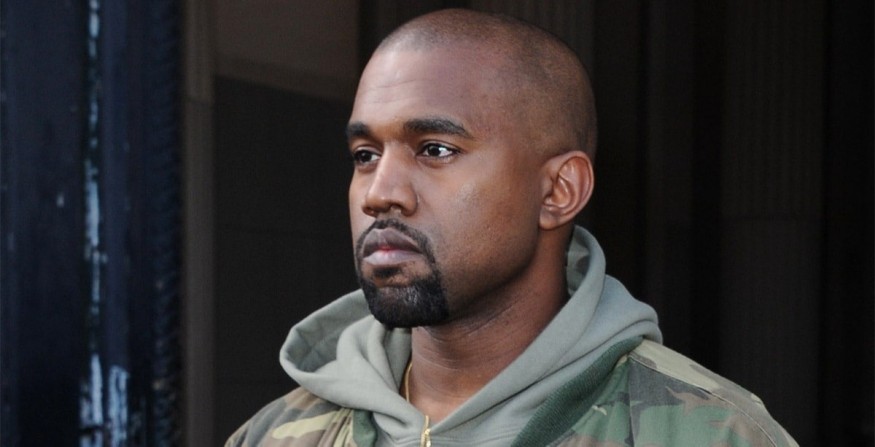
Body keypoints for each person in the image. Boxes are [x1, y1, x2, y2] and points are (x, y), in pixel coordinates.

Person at [227, 9, 796, 447]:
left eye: (435, 149)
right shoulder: (275, 435)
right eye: (365, 155)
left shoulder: (710, 433)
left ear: (558, 191)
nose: (379, 193)